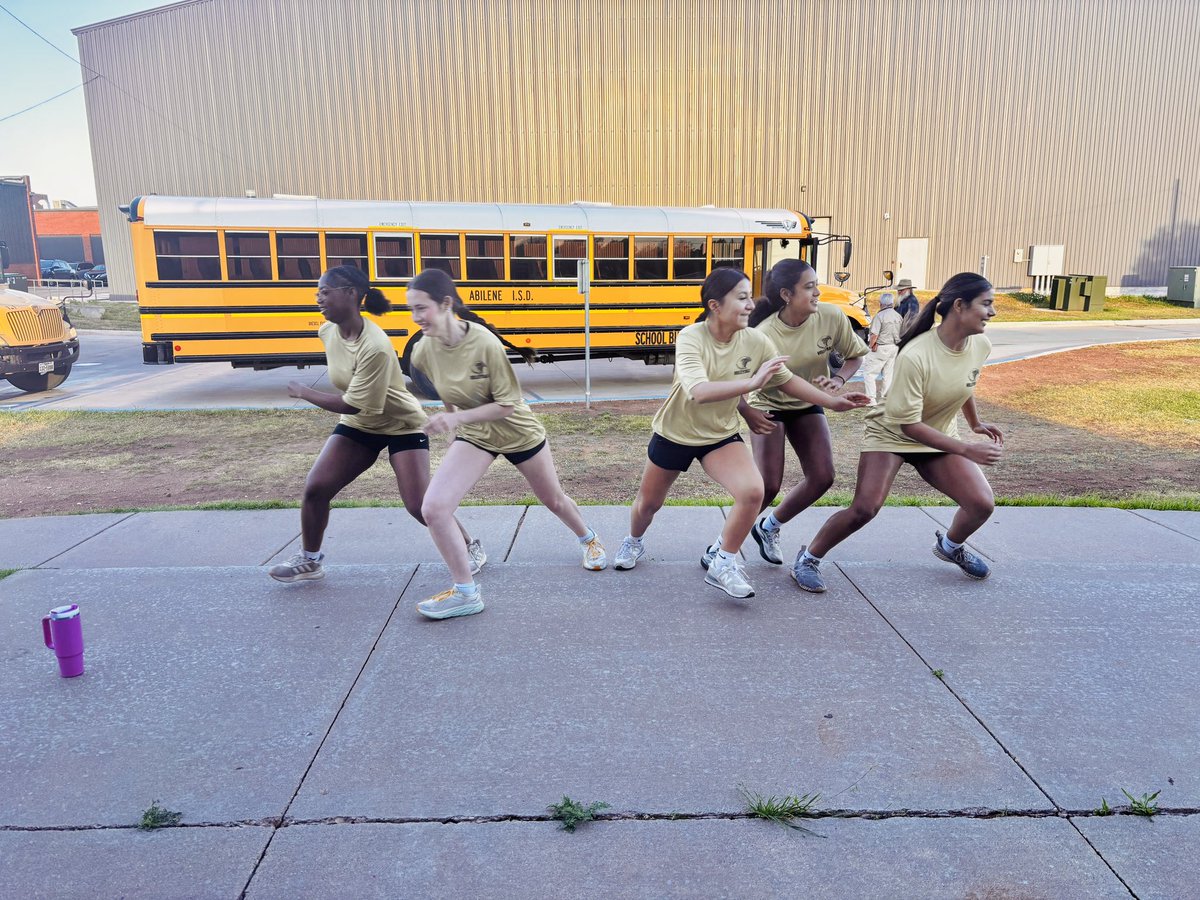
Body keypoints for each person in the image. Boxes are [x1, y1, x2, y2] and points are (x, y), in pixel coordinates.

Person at [613, 267, 869, 599]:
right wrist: (752, 384)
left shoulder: (755, 340)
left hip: (719, 435)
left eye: (751, 297)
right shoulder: (692, 337)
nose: (751, 305)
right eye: (742, 298)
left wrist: (833, 401)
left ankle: (723, 562)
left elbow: (787, 381)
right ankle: (633, 541)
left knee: (753, 491)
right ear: (715, 305)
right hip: (675, 433)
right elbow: (699, 391)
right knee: (648, 505)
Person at [406, 268, 606, 620]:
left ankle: (588, 538)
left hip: (517, 431)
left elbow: (506, 404)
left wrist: (455, 419)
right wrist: (454, 423)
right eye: (412, 310)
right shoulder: (423, 351)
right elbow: (445, 390)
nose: (417, 317)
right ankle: (466, 593)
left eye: (422, 308)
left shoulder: (483, 342)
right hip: (476, 436)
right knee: (433, 508)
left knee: (553, 500)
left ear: (446, 303)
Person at [790, 272, 1004, 593]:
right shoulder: (916, 355)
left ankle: (949, 546)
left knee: (981, 504)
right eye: (986, 304)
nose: (993, 312)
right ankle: (808, 558)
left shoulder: (980, 345)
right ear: (959, 306)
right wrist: (966, 449)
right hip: (892, 434)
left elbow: (965, 382)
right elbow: (909, 426)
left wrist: (974, 424)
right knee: (865, 508)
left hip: (937, 435)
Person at [270, 265, 485, 583]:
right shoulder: (327, 331)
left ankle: (469, 548)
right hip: (360, 424)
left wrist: (304, 392)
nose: (319, 298)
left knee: (419, 505)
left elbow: (350, 402)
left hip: (402, 425)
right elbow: (355, 404)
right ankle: (310, 561)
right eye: (318, 292)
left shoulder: (376, 346)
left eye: (325, 292)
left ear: (351, 294)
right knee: (316, 488)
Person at [736, 258, 869, 567]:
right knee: (767, 485)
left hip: (808, 403)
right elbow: (754, 382)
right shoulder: (765, 333)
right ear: (786, 295)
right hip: (768, 403)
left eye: (816, 286)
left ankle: (769, 527)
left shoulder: (832, 317)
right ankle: (720, 545)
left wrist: (837, 380)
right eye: (809, 288)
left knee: (822, 477)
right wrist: (745, 411)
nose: (817, 293)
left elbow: (854, 357)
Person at [858, 291, 904, 404]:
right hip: (894, 347)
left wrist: (871, 346)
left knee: (869, 373)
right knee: (888, 374)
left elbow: (874, 334)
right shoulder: (898, 316)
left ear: (881, 303)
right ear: (892, 303)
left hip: (880, 347)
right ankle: (885, 399)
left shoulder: (880, 316)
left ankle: (871, 399)